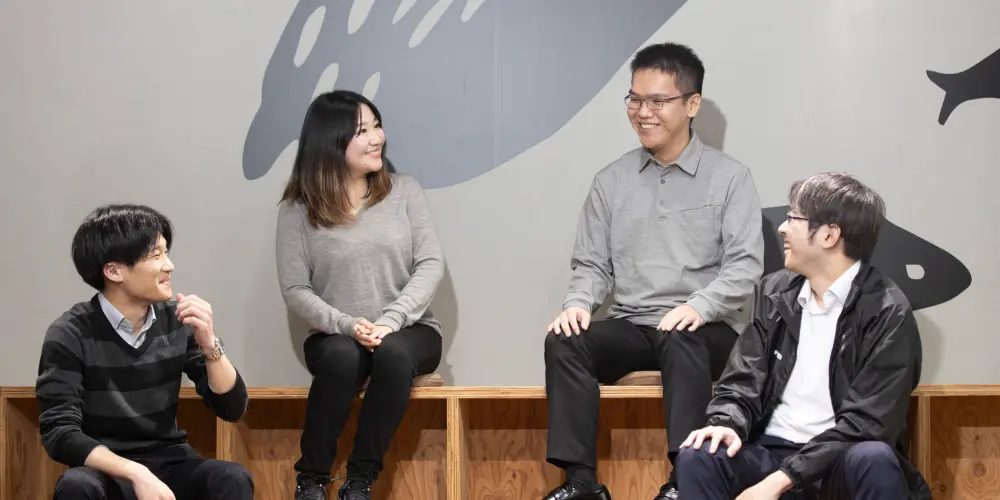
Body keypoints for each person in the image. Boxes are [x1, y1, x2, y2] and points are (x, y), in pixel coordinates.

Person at [543, 42, 765, 500]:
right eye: (635, 99)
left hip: (706, 329)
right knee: (564, 340)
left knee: (681, 337)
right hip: (634, 324)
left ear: (692, 104)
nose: (643, 112)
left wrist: (699, 306)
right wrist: (578, 303)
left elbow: (745, 266)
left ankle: (687, 479)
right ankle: (582, 483)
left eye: (658, 101)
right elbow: (592, 264)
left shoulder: (731, 177)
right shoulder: (611, 180)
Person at [675, 172, 930, 500]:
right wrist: (726, 423)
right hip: (771, 449)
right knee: (701, 454)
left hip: (838, 460)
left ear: (829, 235)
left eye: (793, 218)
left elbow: (867, 424)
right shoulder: (775, 291)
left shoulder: (887, 310)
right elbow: (742, 380)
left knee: (873, 457)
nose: (782, 228)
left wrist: (781, 480)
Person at [276, 90, 445, 500]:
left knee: (393, 353)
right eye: (362, 131)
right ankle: (311, 481)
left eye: (377, 126)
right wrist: (347, 325)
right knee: (340, 357)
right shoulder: (298, 209)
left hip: (410, 331)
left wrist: (390, 321)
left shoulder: (405, 191)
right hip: (337, 335)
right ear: (331, 141)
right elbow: (295, 289)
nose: (377, 138)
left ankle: (359, 481)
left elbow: (430, 264)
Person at [35, 204, 253, 500]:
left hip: (171, 462)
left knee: (231, 478)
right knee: (77, 486)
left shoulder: (177, 321)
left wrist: (209, 343)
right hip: (107, 469)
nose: (169, 265)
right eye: (156, 255)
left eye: (166, 252)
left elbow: (232, 409)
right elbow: (59, 432)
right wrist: (135, 472)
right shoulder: (70, 333)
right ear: (113, 271)